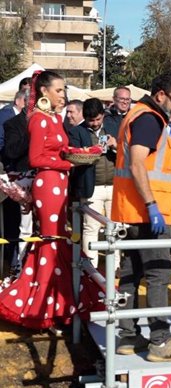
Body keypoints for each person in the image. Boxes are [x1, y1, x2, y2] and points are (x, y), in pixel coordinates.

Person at [0, 70, 104, 330]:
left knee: (57, 242)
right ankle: (43, 307)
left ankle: (57, 305)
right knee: (51, 244)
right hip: (48, 185)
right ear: (44, 91)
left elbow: (60, 149)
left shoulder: (53, 119)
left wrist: (80, 152)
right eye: (59, 90)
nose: (63, 95)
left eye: (64, 90)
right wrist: (67, 163)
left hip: (58, 184)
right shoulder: (38, 120)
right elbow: (36, 159)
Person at [111, 70, 171, 362]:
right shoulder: (150, 118)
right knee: (159, 273)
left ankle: (128, 335)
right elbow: (137, 164)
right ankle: (160, 341)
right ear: (161, 95)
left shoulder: (136, 114)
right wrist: (151, 205)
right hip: (149, 212)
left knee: (131, 273)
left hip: (132, 210)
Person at [67, 97, 119, 268]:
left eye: (98, 119)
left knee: (116, 228)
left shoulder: (113, 128)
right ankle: (90, 270)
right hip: (91, 187)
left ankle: (115, 268)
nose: (95, 123)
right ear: (85, 117)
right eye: (91, 120)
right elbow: (75, 157)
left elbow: (127, 153)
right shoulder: (76, 132)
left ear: (103, 115)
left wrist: (116, 145)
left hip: (114, 185)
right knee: (91, 228)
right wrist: (92, 152)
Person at [1, 89, 31, 274]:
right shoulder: (12, 124)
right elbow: (11, 152)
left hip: (42, 181)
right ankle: (18, 267)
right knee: (21, 228)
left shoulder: (48, 123)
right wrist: (30, 135)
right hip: (20, 182)